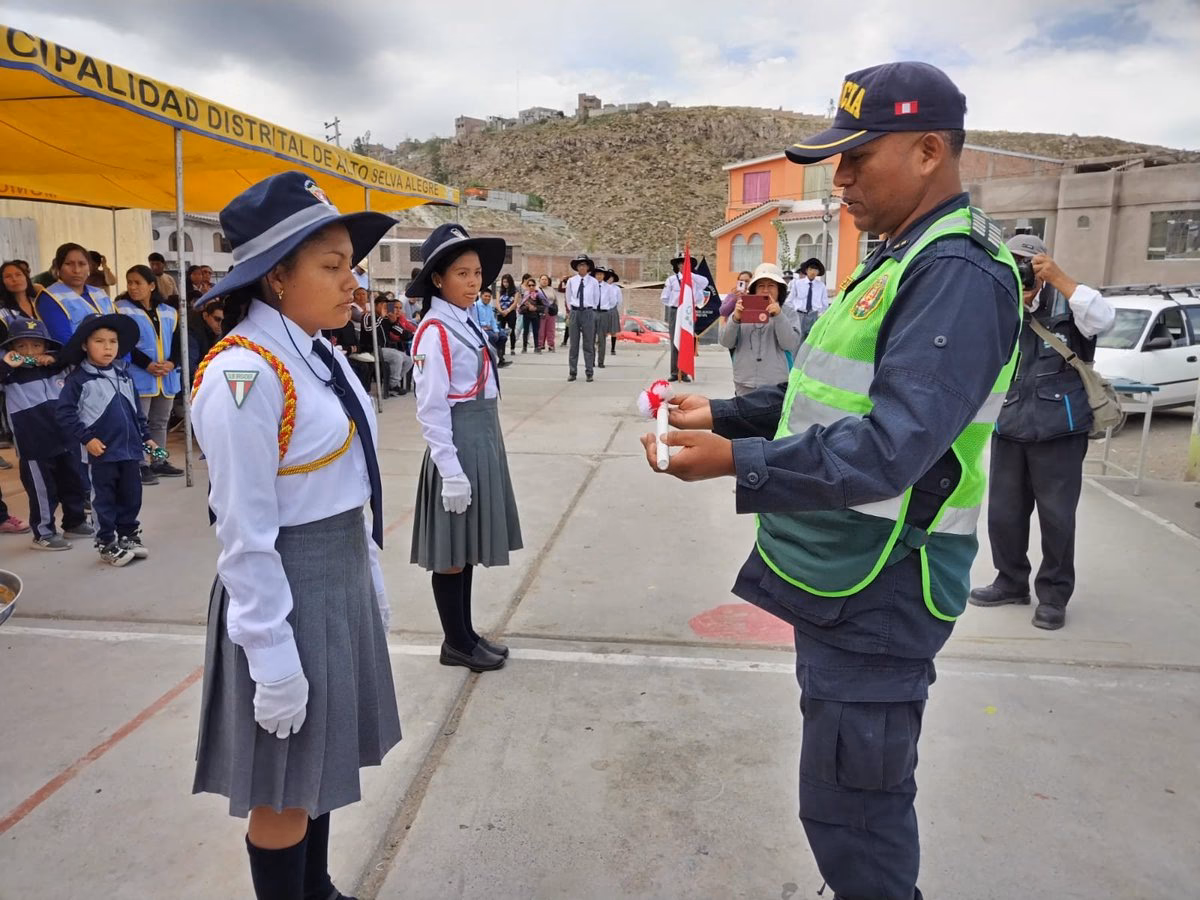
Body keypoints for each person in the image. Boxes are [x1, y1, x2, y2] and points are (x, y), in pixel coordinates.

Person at [640, 61, 1022, 900]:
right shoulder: (901, 256)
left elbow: (891, 444)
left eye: (858, 157)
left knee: (855, 814)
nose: (838, 177)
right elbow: (823, 388)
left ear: (929, 151)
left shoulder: (954, 272)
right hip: (847, 579)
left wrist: (738, 464)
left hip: (885, 585)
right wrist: (727, 417)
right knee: (845, 798)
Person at [188, 171, 400, 900]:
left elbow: (351, 479)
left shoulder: (318, 350)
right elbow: (244, 531)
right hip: (284, 588)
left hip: (333, 574)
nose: (352, 283)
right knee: (283, 788)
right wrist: (271, 655)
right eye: (332, 267)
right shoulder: (244, 375)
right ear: (276, 277)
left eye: (352, 266)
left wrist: (365, 571)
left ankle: (319, 889)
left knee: (321, 768)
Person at [969, 236, 1115, 631]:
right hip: (1010, 425)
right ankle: (1011, 581)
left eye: (1027, 264)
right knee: (1003, 514)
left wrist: (1061, 279)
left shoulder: (1072, 305)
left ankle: (1053, 596)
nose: (1021, 272)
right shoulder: (1003, 308)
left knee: (1057, 518)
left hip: (1060, 430)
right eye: (1013, 263)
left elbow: (1104, 319)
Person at [407, 224, 522, 673]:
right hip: (456, 446)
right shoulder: (435, 331)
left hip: (480, 438)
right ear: (438, 278)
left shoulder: (464, 319)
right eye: (462, 273)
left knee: (467, 545)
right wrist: (451, 472)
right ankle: (455, 642)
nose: (474, 283)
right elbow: (431, 409)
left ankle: (466, 633)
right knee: (452, 552)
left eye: (477, 274)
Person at [56, 313, 153, 567]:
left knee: (132, 495)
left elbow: (136, 411)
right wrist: (86, 438)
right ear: (85, 345)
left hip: (130, 451)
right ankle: (107, 542)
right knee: (104, 499)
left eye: (112, 341)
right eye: (99, 341)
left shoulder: (124, 375)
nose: (107, 347)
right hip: (101, 454)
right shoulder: (78, 379)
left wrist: (147, 437)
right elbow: (64, 414)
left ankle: (129, 535)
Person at [1, 319, 91, 547]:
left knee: (74, 483)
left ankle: (74, 522)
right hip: (34, 445)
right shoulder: (9, 377)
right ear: (11, 350)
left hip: (66, 439)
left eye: (36, 346)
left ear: (46, 347)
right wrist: (7, 364)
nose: (29, 352)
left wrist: (55, 358)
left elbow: (76, 353)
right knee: (43, 492)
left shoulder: (58, 368)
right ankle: (44, 533)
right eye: (21, 347)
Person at [117, 265, 184, 484]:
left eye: (138, 282)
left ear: (151, 286)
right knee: (140, 421)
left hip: (166, 374)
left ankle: (159, 460)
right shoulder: (121, 309)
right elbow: (123, 342)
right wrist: (146, 364)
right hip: (141, 374)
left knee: (160, 421)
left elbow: (177, 341)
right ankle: (141, 464)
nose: (133, 287)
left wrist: (172, 362)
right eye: (130, 282)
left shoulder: (169, 311)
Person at [718, 262, 802, 395]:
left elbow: (790, 343)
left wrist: (779, 316)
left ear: (780, 289)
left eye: (771, 286)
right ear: (754, 290)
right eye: (761, 286)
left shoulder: (788, 312)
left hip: (776, 383)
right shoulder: (742, 309)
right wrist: (735, 319)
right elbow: (725, 342)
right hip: (744, 382)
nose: (766, 290)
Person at [36, 243, 117, 345]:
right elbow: (64, 342)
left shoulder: (100, 293)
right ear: (58, 267)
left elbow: (119, 330)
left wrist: (122, 359)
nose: (76, 270)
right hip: (76, 359)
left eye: (82, 264)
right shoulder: (50, 297)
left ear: (89, 267)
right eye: (69, 264)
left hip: (112, 357)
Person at [660, 253, 709, 382]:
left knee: (687, 340)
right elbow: (664, 298)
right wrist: (676, 306)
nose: (683, 265)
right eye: (681, 263)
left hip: (687, 312)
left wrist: (689, 274)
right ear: (677, 265)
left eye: (686, 263)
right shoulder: (671, 280)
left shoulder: (694, 279)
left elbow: (705, 283)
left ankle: (685, 372)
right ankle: (675, 372)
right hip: (676, 311)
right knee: (674, 342)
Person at [364, 296, 413, 396]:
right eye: (382, 305)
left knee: (409, 360)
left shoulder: (387, 319)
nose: (385, 307)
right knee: (397, 357)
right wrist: (381, 318)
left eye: (386, 305)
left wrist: (394, 322)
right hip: (371, 349)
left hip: (385, 350)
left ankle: (391, 383)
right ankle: (393, 385)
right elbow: (369, 330)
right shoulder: (368, 316)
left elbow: (403, 334)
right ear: (375, 306)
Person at [565, 253, 602, 382]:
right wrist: (571, 311)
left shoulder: (593, 282)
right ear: (577, 267)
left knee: (588, 343)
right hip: (575, 312)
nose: (582, 267)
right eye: (580, 265)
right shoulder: (571, 281)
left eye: (584, 265)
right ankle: (572, 372)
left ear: (587, 267)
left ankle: (589, 372)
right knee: (574, 344)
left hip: (588, 312)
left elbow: (596, 298)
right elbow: (568, 297)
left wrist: (590, 309)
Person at [786, 257, 830, 338]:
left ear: (818, 272)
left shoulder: (821, 286)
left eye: (815, 270)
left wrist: (819, 314)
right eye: (811, 269)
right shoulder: (798, 284)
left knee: (811, 340)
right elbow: (789, 301)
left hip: (814, 316)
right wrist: (795, 311)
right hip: (800, 315)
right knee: (798, 339)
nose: (813, 272)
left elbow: (825, 304)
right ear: (806, 270)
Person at [473, 288, 513, 367]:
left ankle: (500, 358)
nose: (487, 298)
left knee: (503, 336)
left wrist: (496, 330)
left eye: (489, 296)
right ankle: (493, 358)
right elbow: (474, 320)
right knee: (492, 337)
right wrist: (484, 325)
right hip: (481, 329)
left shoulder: (489, 307)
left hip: (490, 328)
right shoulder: (475, 306)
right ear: (481, 296)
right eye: (485, 296)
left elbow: (493, 320)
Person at [188, 300, 225, 385]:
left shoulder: (217, 332)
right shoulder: (193, 331)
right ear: (205, 315)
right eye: (217, 319)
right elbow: (190, 365)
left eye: (223, 320)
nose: (220, 324)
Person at [517, 273, 545, 353]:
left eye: (533, 285)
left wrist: (535, 308)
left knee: (536, 331)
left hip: (536, 316)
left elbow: (543, 306)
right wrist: (527, 307)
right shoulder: (525, 295)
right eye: (529, 285)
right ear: (527, 286)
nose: (531, 287)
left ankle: (537, 347)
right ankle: (524, 347)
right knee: (525, 331)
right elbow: (521, 308)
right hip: (527, 315)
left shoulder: (538, 295)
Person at [496, 273, 519, 354]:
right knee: (501, 331)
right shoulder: (499, 291)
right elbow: (497, 302)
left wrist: (508, 310)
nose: (505, 284)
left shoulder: (515, 291)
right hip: (501, 312)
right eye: (504, 282)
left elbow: (515, 303)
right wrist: (501, 310)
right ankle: (502, 349)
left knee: (511, 330)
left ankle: (512, 348)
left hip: (511, 312)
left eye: (507, 282)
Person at [603, 269, 623, 358]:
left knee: (613, 331)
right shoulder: (602, 287)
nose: (609, 279)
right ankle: (601, 347)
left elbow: (619, 301)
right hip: (604, 310)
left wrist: (615, 310)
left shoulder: (617, 289)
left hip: (613, 310)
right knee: (603, 330)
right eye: (608, 277)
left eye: (611, 277)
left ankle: (613, 348)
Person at [537, 274, 559, 352]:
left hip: (551, 311)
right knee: (541, 329)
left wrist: (556, 309)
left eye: (546, 279)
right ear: (539, 281)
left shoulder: (551, 289)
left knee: (551, 329)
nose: (544, 281)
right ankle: (540, 344)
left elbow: (555, 300)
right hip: (542, 311)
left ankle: (551, 345)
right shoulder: (537, 290)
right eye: (542, 279)